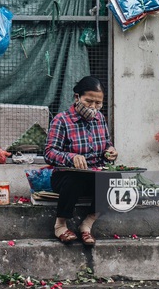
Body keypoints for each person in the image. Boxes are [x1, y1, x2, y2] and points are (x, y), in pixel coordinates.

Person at [44, 76, 118, 246]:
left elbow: (107, 144)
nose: (93, 107)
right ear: (77, 97)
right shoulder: (61, 120)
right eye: (89, 101)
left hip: (93, 174)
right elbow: (49, 153)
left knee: (115, 178)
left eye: (98, 103)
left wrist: (110, 152)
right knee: (74, 178)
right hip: (66, 177)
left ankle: (87, 224)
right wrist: (71, 157)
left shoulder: (100, 119)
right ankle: (60, 225)